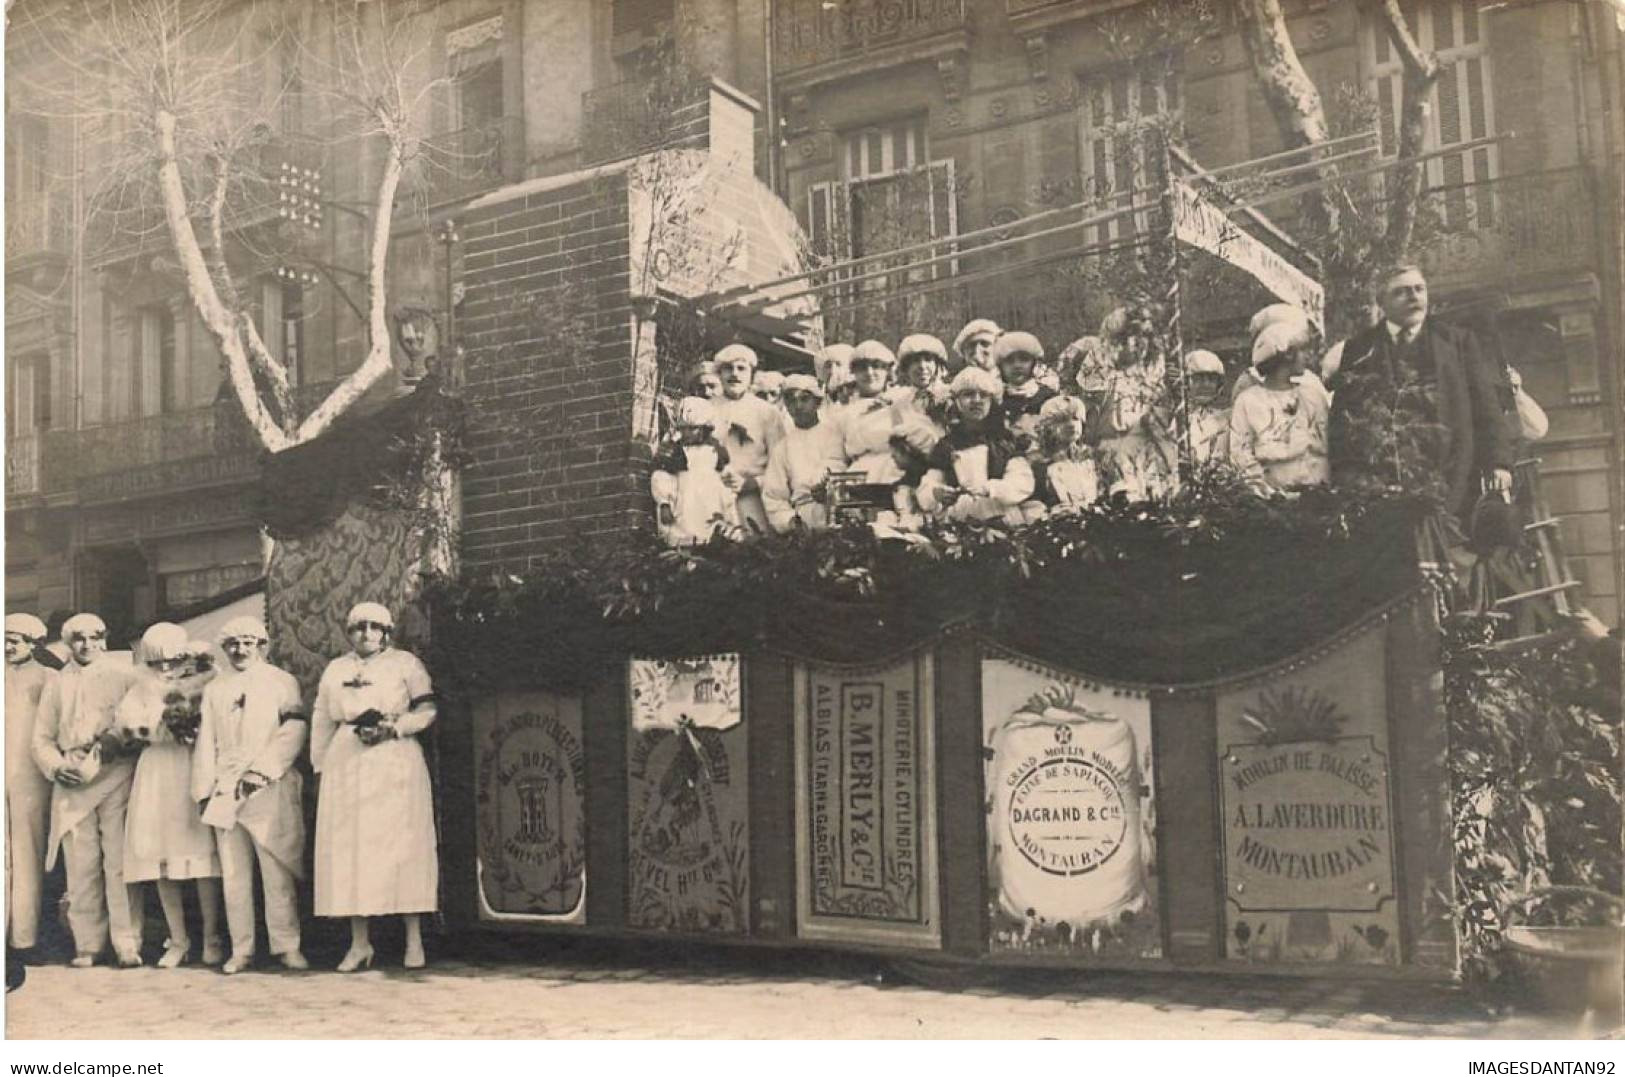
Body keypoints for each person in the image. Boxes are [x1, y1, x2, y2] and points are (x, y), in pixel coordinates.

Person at [1328, 264, 1514, 523]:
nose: (1414, 297)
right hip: (1383, 483)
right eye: (1401, 292)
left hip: (1453, 473)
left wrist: (1498, 463)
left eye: (1419, 289)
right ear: (1382, 301)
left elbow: (1486, 408)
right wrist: (1348, 477)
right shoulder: (1359, 349)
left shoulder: (1457, 342)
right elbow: (1342, 419)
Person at [311, 602, 439, 971]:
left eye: (373, 627)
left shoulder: (405, 664)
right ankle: (359, 943)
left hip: (394, 760)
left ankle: (413, 941)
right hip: (345, 760)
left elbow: (428, 710)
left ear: (386, 631)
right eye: (357, 627)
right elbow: (321, 718)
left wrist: (395, 728)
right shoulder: (337, 669)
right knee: (352, 848)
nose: (365, 634)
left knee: (402, 843)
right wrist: (320, 768)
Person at [194, 616, 309, 975]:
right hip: (226, 787)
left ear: (261, 646)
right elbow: (206, 741)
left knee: (276, 872)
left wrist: (262, 770)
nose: (240, 650)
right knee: (234, 875)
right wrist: (204, 787)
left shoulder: (280, 681)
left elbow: (294, 728)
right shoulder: (215, 688)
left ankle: (286, 947)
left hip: (268, 785)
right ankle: (241, 949)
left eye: (247, 642)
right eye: (232, 644)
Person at [31, 613, 142, 967]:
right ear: (67, 642)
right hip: (72, 782)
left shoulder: (125, 675)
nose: (87, 644)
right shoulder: (56, 683)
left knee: (118, 861)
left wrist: (112, 746)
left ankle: (127, 942)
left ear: (105, 639)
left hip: (115, 775)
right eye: (78, 637)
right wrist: (58, 767)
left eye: (95, 636)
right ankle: (88, 943)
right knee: (81, 864)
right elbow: (41, 740)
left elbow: (141, 722)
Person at [117, 623, 224, 969]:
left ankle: (211, 937)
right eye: (156, 662)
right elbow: (129, 727)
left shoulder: (205, 684)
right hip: (157, 773)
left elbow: (213, 723)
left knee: (199, 857)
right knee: (161, 858)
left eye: (173, 660)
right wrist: (162, 724)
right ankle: (178, 939)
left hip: (192, 768)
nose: (165, 668)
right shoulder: (139, 689)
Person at [918, 366, 1035, 525]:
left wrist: (990, 489)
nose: (977, 400)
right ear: (957, 402)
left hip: (1002, 517)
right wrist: (936, 493)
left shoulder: (1003, 441)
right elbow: (928, 486)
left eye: (983, 395)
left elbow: (1022, 483)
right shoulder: (948, 444)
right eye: (968, 394)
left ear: (992, 401)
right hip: (962, 520)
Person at [1230, 322, 1330, 495]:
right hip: (1274, 502)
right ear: (1286, 354)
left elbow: (1328, 445)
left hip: (1319, 497)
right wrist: (1269, 494)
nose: (1308, 356)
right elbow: (1241, 455)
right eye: (1303, 350)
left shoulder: (1313, 397)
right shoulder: (1249, 401)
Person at [6, 614, 55, 956]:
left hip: (30, 776)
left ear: (34, 643)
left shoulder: (48, 678)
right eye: (4, 639)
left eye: (16, 639)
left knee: (27, 853)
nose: (8, 646)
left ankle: (24, 937)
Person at [1098, 306, 1176, 502]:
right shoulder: (1105, 379)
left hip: (1151, 451)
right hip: (1116, 452)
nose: (1139, 342)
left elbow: (1165, 425)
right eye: (1130, 336)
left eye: (1145, 336)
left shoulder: (1155, 378)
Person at [712, 343, 784, 536]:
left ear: (751, 373)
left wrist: (754, 482)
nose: (734, 374)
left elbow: (780, 462)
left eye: (741, 368)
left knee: (756, 550)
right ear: (719, 374)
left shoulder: (768, 413)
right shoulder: (706, 409)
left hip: (754, 497)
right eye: (728, 368)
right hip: (714, 495)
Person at [650, 396, 739, 547]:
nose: (687, 434)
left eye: (693, 429)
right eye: (683, 429)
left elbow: (725, 478)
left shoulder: (715, 450)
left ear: (705, 429)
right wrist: (664, 503)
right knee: (685, 532)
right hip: (685, 501)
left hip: (711, 500)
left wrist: (729, 505)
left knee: (714, 533)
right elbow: (662, 477)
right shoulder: (676, 452)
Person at [762, 374, 845, 534]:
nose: (798, 406)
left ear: (817, 402)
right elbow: (774, 495)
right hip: (804, 520)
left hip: (841, 512)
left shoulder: (836, 434)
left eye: (804, 399)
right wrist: (791, 521)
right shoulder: (783, 448)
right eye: (791, 400)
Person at [840, 340, 905, 483]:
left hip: (897, 473)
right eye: (862, 368)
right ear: (854, 373)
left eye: (876, 366)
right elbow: (837, 457)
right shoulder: (845, 413)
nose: (869, 373)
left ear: (888, 371)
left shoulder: (903, 399)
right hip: (858, 477)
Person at [1028, 394, 1100, 514]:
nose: (1071, 424)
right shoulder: (1038, 464)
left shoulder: (1090, 459)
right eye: (1062, 420)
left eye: (1076, 418)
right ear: (1048, 427)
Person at [993, 331, 1056, 443]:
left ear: (1033, 363)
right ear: (1000, 366)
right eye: (1009, 360)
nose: (1017, 366)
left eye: (1024, 359)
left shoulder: (1047, 396)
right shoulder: (996, 399)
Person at [892, 333, 951, 446]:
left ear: (937, 365)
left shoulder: (950, 395)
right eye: (915, 361)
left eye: (928, 360)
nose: (922, 366)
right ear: (906, 368)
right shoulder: (899, 406)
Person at [1183, 350, 1231, 467]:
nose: (1205, 384)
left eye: (1211, 379)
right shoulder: (1176, 420)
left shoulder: (1226, 419)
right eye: (1198, 379)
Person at [814, 343, 856, 415]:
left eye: (838, 364)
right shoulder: (819, 399)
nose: (833, 370)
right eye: (828, 366)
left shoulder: (855, 396)